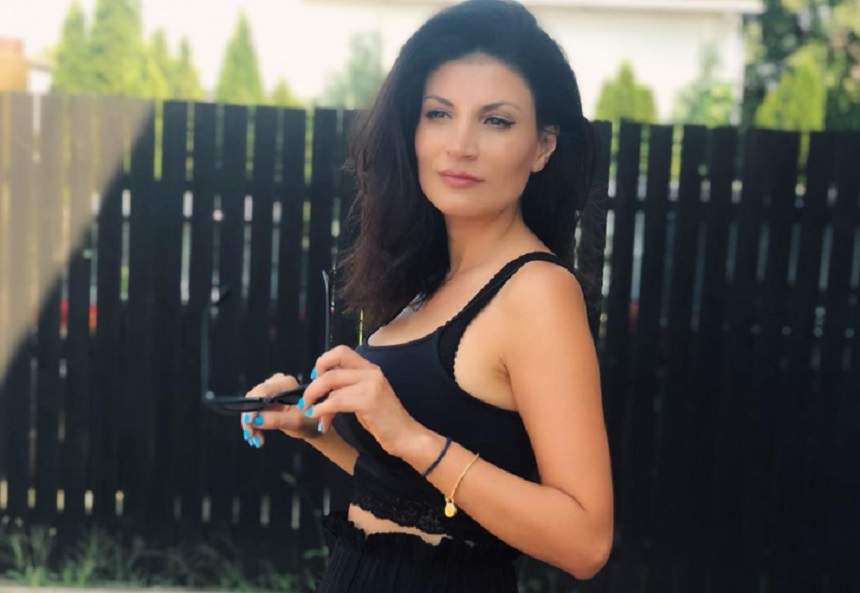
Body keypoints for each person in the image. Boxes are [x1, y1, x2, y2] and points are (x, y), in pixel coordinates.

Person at [239, 0, 613, 589]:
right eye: (438, 113)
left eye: (496, 121)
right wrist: (315, 430)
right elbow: (414, 495)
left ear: (543, 146)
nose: (459, 144)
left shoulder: (538, 292)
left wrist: (409, 434)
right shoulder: (428, 282)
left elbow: (585, 541)